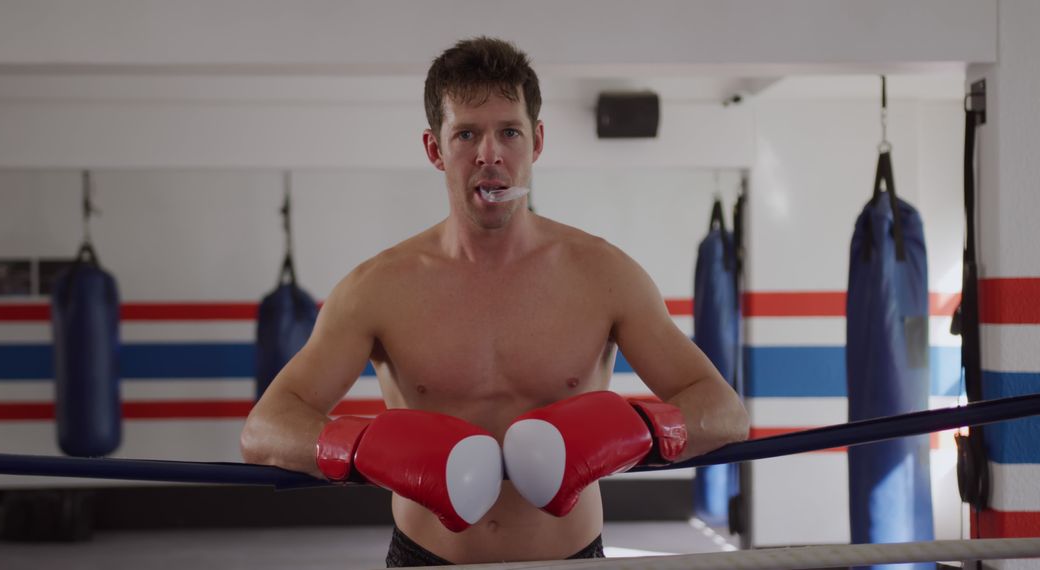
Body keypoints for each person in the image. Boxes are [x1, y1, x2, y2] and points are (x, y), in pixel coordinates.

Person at [241, 36, 749, 567]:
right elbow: (265, 429)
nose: (491, 154)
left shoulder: (605, 276)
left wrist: (633, 431)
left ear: (537, 142)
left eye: (510, 131)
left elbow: (724, 413)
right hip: (427, 557)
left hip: (569, 556)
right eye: (466, 134)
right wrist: (365, 447)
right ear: (435, 149)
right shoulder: (377, 289)